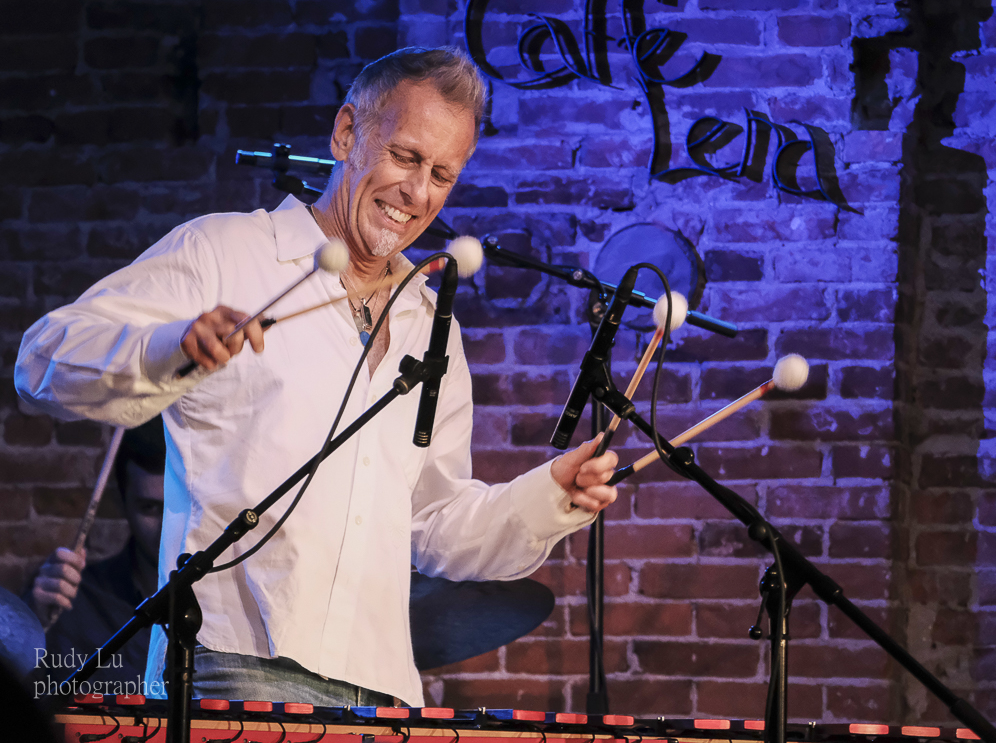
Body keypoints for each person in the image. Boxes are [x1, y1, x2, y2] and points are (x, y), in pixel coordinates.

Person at [14, 47, 617, 707]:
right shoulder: (226, 252)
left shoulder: (428, 320)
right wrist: (172, 344)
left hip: (380, 685)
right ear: (346, 134)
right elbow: (46, 359)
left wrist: (547, 496)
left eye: (442, 174)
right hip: (235, 663)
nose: (418, 194)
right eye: (407, 157)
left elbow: (435, 523)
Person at [28, 417, 165, 690]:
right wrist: (32, 625)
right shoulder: (76, 603)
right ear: (122, 502)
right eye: (150, 508)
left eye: (176, 507)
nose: (166, 528)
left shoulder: (230, 609)